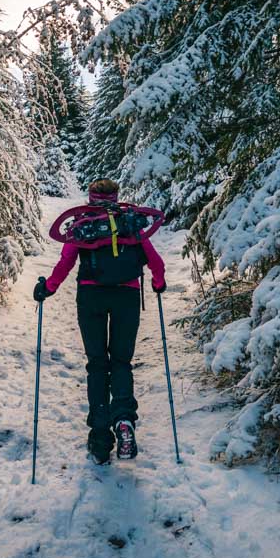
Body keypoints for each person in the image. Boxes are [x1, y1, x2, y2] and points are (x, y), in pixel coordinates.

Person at [33, 179, 166, 464]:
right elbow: (156, 261)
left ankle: (100, 440)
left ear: (91, 196)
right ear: (116, 197)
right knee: (121, 362)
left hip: (91, 296)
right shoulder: (129, 222)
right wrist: (158, 283)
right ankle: (124, 419)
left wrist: (48, 288)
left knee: (97, 364)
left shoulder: (84, 223)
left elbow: (66, 261)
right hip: (127, 297)